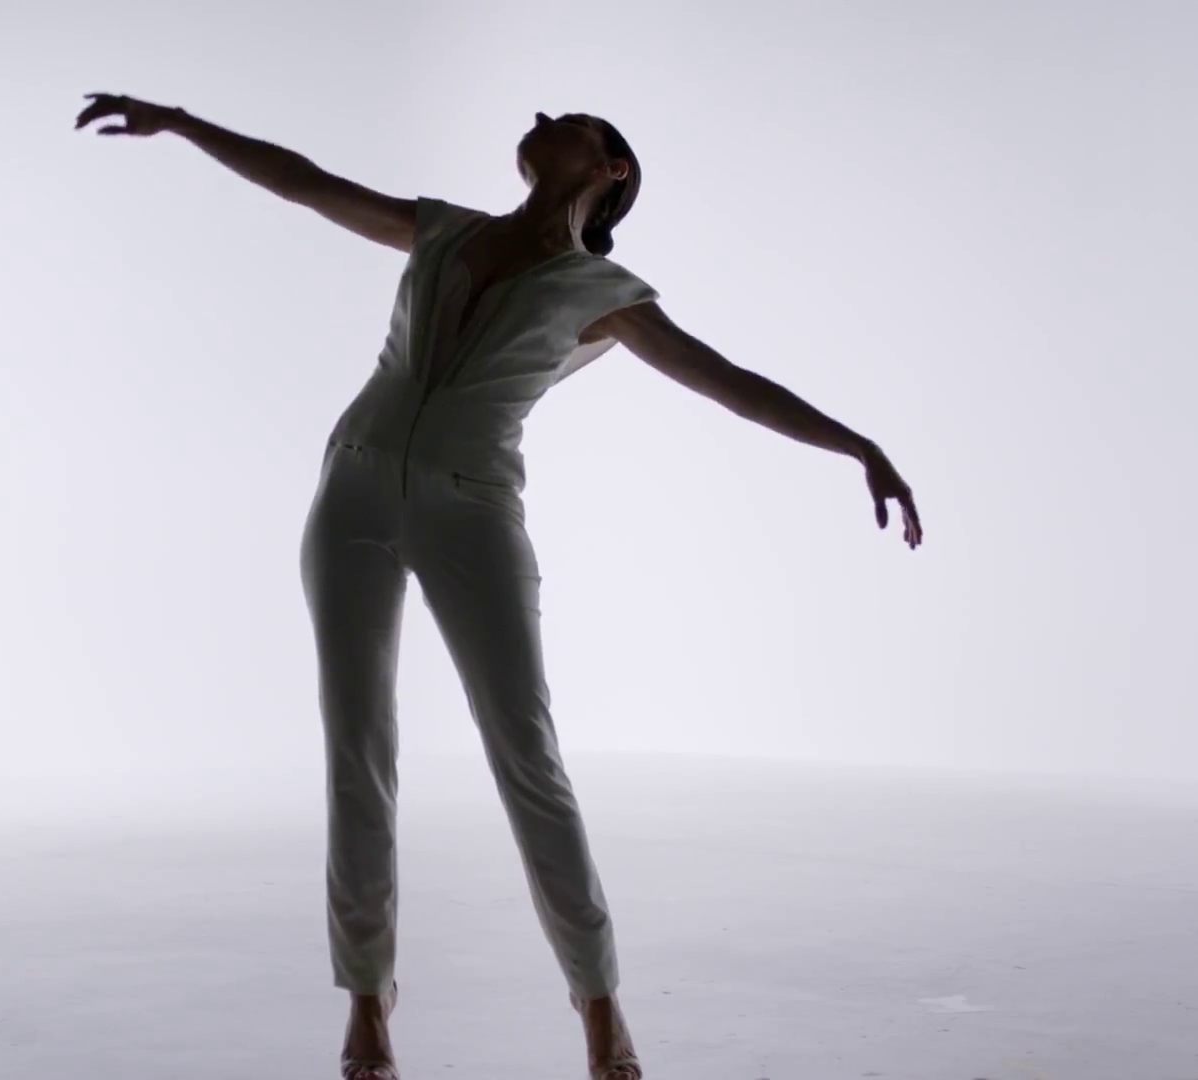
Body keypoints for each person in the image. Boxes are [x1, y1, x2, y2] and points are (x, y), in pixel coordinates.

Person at [74, 92, 923, 1080]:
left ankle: (599, 1003)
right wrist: (181, 122)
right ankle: (368, 1001)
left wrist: (858, 446)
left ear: (610, 169)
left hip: (471, 506)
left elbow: (728, 381)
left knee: (527, 755)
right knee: (357, 746)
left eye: (574, 118)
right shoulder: (443, 230)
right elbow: (306, 184)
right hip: (352, 487)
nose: (543, 112)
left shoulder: (603, 292)